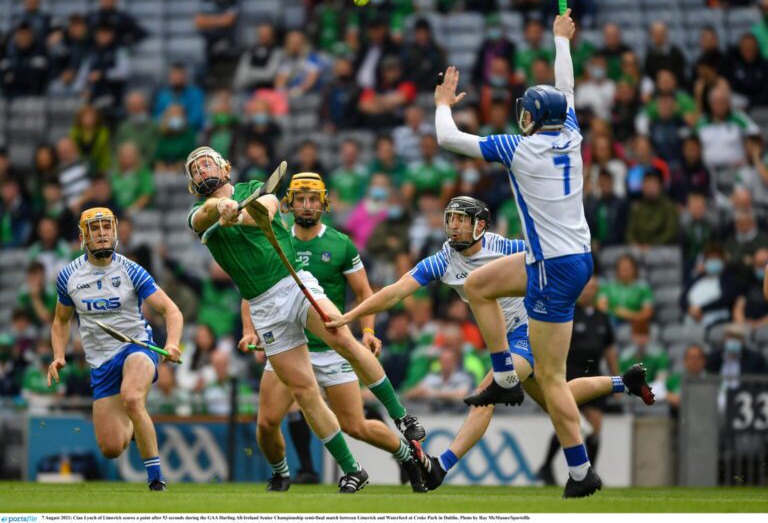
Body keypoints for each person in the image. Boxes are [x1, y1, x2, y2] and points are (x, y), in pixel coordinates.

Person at [326, 196, 653, 492]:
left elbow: (548, 266)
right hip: (505, 339)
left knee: (490, 390)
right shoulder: (443, 260)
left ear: (480, 225)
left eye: (461, 220)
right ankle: (624, 382)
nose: (453, 226)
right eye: (450, 219)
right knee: (557, 399)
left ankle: (440, 467)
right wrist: (349, 316)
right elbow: (396, 291)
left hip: (530, 329)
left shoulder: (507, 249)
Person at [429, 9, 601, 497]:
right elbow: (565, 90)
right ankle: (508, 379)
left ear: (534, 119)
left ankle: (578, 471)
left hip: (551, 266)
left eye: (526, 112)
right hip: (570, 257)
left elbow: (447, 138)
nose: (521, 117)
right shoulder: (570, 132)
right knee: (479, 284)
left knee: (549, 378)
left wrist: (443, 102)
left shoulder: (519, 149)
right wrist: (560, 41)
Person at [184, 147, 425, 493]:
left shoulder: (251, 187)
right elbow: (203, 216)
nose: (202, 169)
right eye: (195, 168)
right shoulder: (196, 214)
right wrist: (217, 208)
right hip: (263, 306)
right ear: (192, 183)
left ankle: (403, 417)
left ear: (225, 167)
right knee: (303, 392)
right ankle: (352, 469)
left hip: (292, 283)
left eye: (207, 162)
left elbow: (265, 209)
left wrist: (236, 212)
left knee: (343, 338)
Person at [46, 207, 183, 491]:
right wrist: (58, 355)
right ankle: (134, 424)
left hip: (137, 347)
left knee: (132, 398)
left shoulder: (131, 270)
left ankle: (156, 479)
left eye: (106, 227)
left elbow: (171, 310)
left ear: (115, 231)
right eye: (95, 229)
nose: (102, 234)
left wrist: (171, 343)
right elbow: (61, 320)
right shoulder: (69, 276)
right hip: (100, 362)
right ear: (83, 236)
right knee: (111, 447)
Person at [536, 276, 620, 485]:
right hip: (570, 373)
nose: (589, 292)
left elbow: (610, 350)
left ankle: (590, 471)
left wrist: (615, 377)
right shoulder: (568, 312)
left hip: (594, 375)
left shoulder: (602, 318)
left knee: (595, 426)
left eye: (593, 288)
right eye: (586, 288)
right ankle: (546, 467)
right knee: (567, 422)